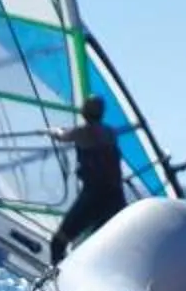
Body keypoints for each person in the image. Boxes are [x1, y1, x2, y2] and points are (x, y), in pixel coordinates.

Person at [45, 94, 128, 265]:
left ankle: (56, 280)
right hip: (116, 200)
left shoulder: (84, 132)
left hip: (94, 198)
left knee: (58, 242)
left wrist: (50, 131)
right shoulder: (110, 133)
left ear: (85, 111)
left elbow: (62, 135)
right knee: (96, 248)